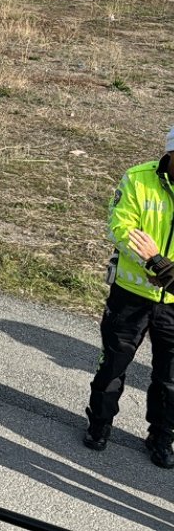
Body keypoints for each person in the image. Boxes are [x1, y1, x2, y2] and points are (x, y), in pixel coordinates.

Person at [84, 126, 174, 469]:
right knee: (113, 366)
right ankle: (99, 424)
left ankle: (162, 437)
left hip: (173, 301)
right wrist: (148, 261)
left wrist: (162, 264)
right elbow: (120, 229)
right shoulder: (138, 179)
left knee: (170, 377)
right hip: (131, 294)